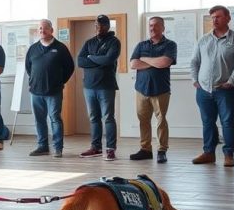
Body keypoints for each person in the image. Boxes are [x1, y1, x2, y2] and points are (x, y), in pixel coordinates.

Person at [190, 5, 234, 167]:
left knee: (228, 121)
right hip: (203, 90)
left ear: (228, 18)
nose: (214, 20)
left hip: (226, 90)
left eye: (218, 17)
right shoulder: (203, 40)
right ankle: (209, 152)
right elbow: (195, 61)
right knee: (207, 122)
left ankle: (229, 154)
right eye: (213, 17)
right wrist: (194, 79)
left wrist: (232, 81)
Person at [129, 16, 177, 164]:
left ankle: (162, 150)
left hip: (160, 89)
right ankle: (145, 150)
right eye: (150, 26)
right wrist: (154, 62)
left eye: (156, 26)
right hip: (141, 89)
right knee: (143, 120)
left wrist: (146, 60)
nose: (152, 28)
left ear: (163, 28)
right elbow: (133, 64)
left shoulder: (170, 45)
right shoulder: (141, 45)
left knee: (161, 120)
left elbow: (164, 62)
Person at [25, 18, 75, 158]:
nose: (42, 31)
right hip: (35, 91)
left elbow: (70, 67)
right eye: (40, 29)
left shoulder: (60, 48)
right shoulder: (33, 48)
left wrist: (60, 81)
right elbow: (29, 67)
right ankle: (43, 146)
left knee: (55, 118)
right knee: (39, 119)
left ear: (51, 30)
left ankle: (58, 148)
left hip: (54, 91)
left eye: (45, 28)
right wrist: (35, 80)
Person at [77, 14, 121, 160]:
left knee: (108, 117)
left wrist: (91, 57)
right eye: (96, 24)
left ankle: (110, 149)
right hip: (89, 87)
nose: (98, 27)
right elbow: (80, 61)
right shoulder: (89, 42)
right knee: (93, 118)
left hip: (106, 86)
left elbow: (108, 60)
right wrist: (97, 60)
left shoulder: (114, 42)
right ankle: (96, 147)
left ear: (108, 26)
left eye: (102, 25)